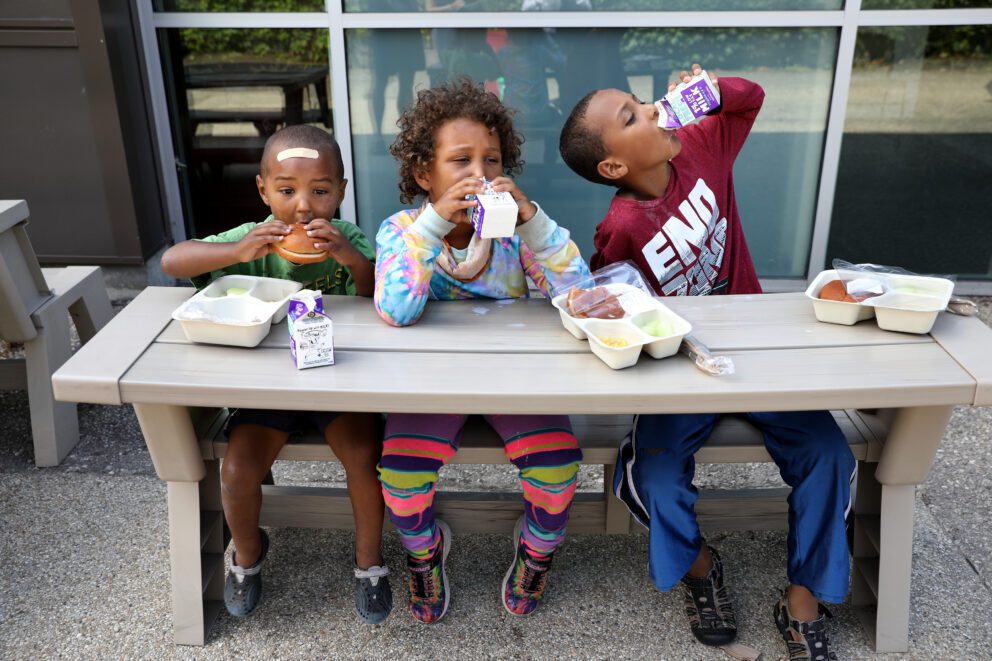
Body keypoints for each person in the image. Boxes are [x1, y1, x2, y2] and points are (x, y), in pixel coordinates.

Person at [558, 65, 855, 661]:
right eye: (633, 115)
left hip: (755, 350)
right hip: (680, 365)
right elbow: (617, 302)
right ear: (614, 167)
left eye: (644, 100)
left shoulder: (701, 142)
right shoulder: (620, 227)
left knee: (831, 454)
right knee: (653, 476)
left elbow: (751, 100)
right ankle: (699, 568)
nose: (653, 109)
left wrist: (711, 88)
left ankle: (802, 598)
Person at [374, 79, 589, 624]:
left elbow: (578, 294)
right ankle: (425, 553)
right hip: (430, 383)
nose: (479, 175)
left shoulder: (516, 234)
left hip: (512, 378)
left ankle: (535, 550)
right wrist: (433, 225)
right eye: (460, 160)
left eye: (491, 161)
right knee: (399, 478)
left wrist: (534, 222)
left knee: (559, 468)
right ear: (425, 174)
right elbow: (397, 309)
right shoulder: (401, 232)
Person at [160, 124, 392, 625]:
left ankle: (370, 563)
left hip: (339, 381)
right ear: (264, 190)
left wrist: (349, 257)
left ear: (341, 192)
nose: (303, 206)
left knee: (363, 457)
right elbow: (172, 260)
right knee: (237, 471)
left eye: (320, 191)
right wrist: (237, 251)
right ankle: (247, 556)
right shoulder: (255, 239)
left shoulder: (347, 238)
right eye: (287, 191)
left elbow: (382, 291)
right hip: (266, 387)